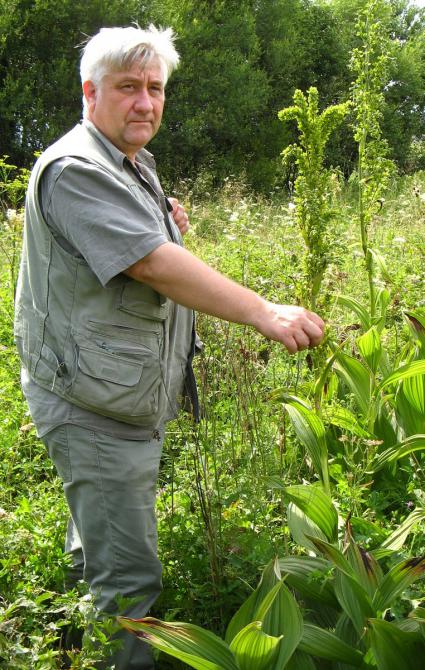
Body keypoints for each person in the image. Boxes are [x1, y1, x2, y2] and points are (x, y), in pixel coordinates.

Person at [14, 25, 325, 670]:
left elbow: (142, 250)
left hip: (109, 390)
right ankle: (115, 646)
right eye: (129, 87)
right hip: (94, 404)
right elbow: (154, 267)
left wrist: (166, 224)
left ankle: (84, 596)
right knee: (132, 586)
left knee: (101, 524)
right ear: (89, 91)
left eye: (155, 89)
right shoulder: (78, 169)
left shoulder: (130, 162)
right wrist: (263, 311)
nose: (146, 103)